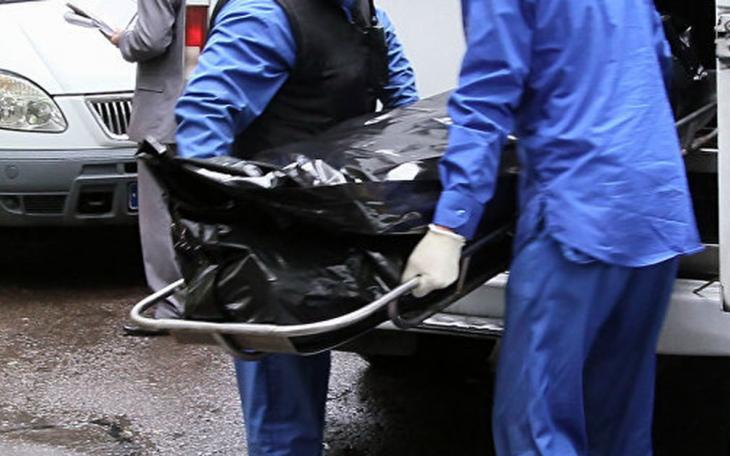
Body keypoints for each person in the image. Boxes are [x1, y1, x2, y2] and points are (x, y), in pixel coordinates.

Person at [402, 0, 702, 454]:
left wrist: (449, 227)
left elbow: (487, 98)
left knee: (536, 426)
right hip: (655, 206)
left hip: (579, 216)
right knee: (616, 419)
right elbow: (659, 63)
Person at [174, 0, 418, 454]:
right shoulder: (265, 14)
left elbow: (405, 108)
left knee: (306, 380)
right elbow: (204, 119)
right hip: (269, 246)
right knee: (282, 419)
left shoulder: (364, 13)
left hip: (328, 230)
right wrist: (221, 238)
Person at [110, 0, 187, 335]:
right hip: (218, 106)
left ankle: (172, 307)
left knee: (159, 216)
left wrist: (123, 40)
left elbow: (150, 40)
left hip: (166, 110)